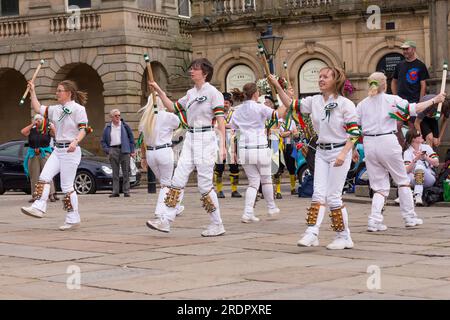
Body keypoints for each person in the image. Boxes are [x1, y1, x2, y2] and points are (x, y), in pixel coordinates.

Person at [270, 67, 359, 250]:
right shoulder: (314, 101)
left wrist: (344, 154)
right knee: (318, 194)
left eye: (325, 76)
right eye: (319, 76)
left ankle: (343, 236)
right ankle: (312, 232)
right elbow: (291, 105)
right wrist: (278, 87)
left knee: (333, 196)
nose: (321, 79)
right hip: (321, 151)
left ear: (336, 80)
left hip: (339, 151)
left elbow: (355, 133)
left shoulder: (345, 104)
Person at [146, 58, 227, 237]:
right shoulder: (190, 93)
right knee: (177, 180)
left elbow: (221, 120)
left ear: (204, 73)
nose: (191, 71)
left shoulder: (214, 93)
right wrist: (159, 90)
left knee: (204, 185)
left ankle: (217, 223)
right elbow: (173, 107)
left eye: (195, 69)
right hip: (190, 137)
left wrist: (222, 145)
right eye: (191, 68)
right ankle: (166, 221)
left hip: (206, 138)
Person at [355, 72, 445, 232]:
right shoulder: (392, 99)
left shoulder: (362, 104)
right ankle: (409, 217)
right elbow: (415, 109)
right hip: (387, 142)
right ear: (385, 85)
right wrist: (435, 100)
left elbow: (355, 127)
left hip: (369, 143)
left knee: (379, 186)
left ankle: (374, 220)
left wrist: (354, 147)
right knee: (402, 180)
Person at [21, 80, 92, 230]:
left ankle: (73, 217)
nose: (57, 93)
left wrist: (75, 141)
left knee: (67, 187)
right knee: (44, 177)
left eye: (60, 91)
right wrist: (32, 91)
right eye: (57, 90)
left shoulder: (78, 109)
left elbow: (84, 129)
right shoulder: (55, 109)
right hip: (57, 150)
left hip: (70, 151)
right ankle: (39, 206)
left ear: (69, 93)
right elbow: (38, 107)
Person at [229, 82, 286, 223]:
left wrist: (234, 151)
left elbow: (233, 130)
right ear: (255, 94)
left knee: (253, 183)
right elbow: (278, 114)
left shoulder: (237, 110)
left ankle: (248, 212)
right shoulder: (260, 107)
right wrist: (287, 99)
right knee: (266, 180)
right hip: (259, 148)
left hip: (245, 150)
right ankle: (271, 207)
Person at [138, 94, 185, 219]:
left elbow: (142, 140)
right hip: (163, 151)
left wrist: (143, 157)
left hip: (150, 154)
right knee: (166, 183)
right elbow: (181, 123)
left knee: (165, 182)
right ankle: (160, 211)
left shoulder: (145, 118)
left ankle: (175, 206)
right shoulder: (168, 116)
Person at [392, 40, 430, 146]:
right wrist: (395, 96)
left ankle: (413, 147)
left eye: (406, 49)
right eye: (403, 49)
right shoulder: (399, 65)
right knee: (397, 126)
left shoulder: (420, 65)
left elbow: (423, 85)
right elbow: (393, 81)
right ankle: (403, 145)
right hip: (400, 102)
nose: (404, 51)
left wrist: (420, 101)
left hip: (414, 101)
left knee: (412, 126)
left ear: (413, 49)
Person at [21, 114, 58, 203]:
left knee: (47, 174)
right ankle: (35, 195)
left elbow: (56, 135)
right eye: (36, 119)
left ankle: (51, 194)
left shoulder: (46, 130)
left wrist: (52, 127)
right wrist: (32, 124)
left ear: (42, 121)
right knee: (34, 176)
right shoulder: (32, 130)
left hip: (45, 153)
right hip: (33, 154)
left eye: (39, 120)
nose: (38, 121)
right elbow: (23, 132)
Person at [101, 109, 135, 197]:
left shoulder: (125, 125)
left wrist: (132, 151)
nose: (118, 117)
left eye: (119, 115)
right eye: (116, 116)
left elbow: (131, 138)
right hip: (113, 150)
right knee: (115, 172)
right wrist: (108, 150)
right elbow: (103, 141)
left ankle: (126, 191)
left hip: (124, 150)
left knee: (126, 172)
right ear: (111, 117)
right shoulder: (107, 127)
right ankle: (115, 191)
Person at [214, 92, 242, 198]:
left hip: (232, 143)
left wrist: (225, 126)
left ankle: (234, 190)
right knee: (219, 168)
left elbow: (238, 126)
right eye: (223, 102)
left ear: (230, 103)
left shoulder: (235, 113)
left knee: (234, 168)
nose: (225, 104)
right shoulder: (216, 113)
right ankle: (219, 190)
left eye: (227, 102)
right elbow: (215, 127)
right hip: (219, 143)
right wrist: (228, 126)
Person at [403, 129, 440, 206]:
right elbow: (406, 170)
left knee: (419, 167)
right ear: (413, 139)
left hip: (428, 178)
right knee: (405, 174)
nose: (421, 135)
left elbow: (437, 163)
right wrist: (415, 159)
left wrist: (425, 157)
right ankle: (417, 195)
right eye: (419, 135)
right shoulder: (407, 152)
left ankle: (413, 195)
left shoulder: (426, 147)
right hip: (414, 178)